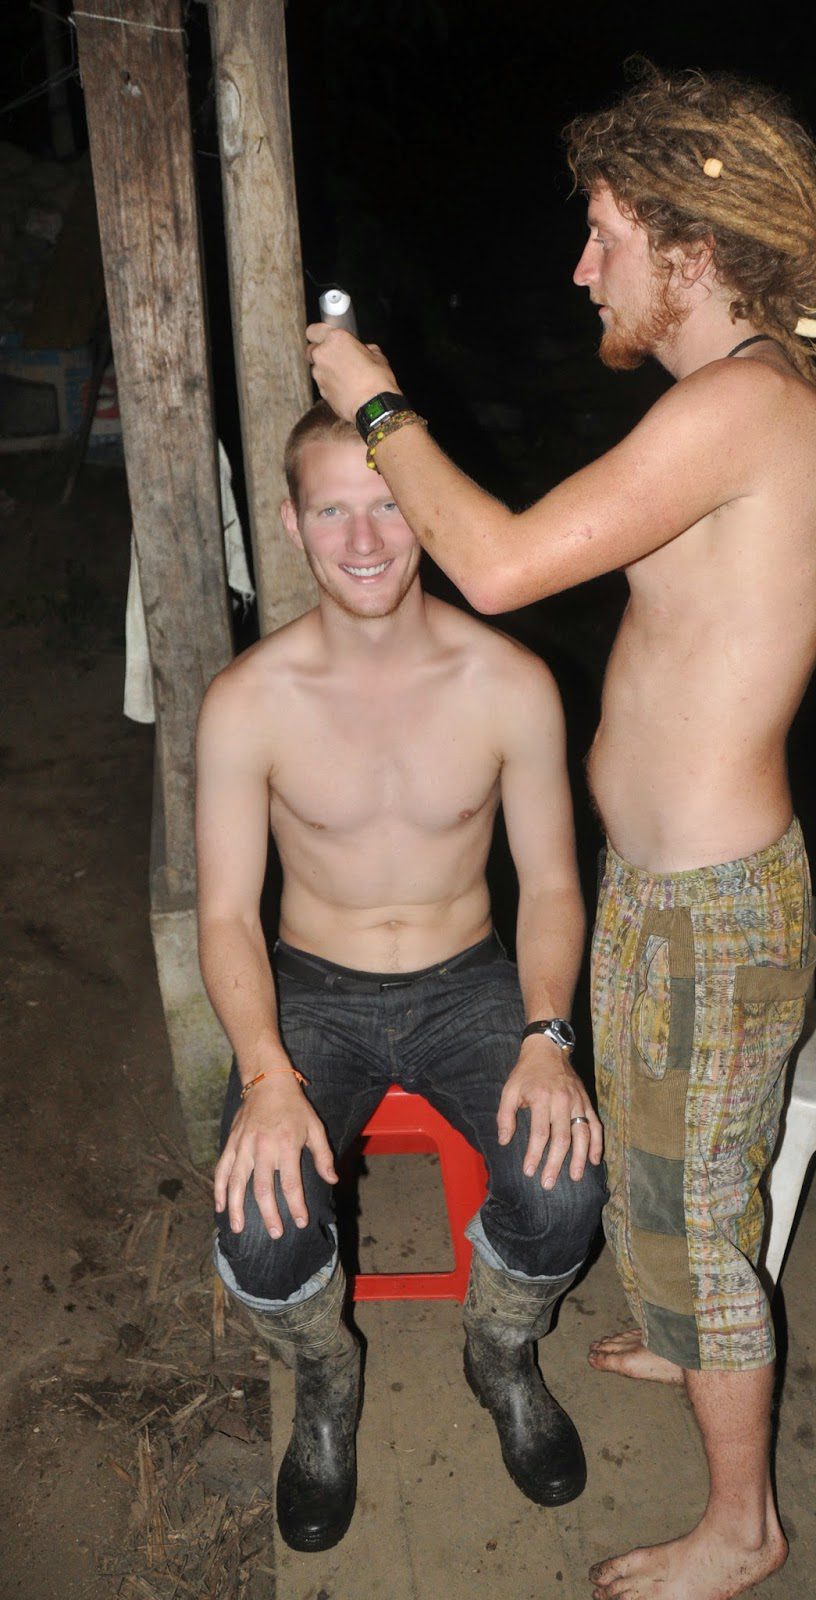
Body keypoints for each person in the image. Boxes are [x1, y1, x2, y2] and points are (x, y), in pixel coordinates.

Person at [305, 63, 816, 1600]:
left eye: (603, 234)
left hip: (709, 903)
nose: (580, 267)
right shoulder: (727, 402)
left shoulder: (742, 407)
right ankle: (682, 1330)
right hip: (662, 884)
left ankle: (740, 1525)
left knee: (696, 1214)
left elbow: (489, 565)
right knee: (665, 1163)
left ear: (687, 246)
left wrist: (368, 390)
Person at [197, 401, 606, 1554]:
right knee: (262, 1226)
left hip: (471, 979)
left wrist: (545, 1036)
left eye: (389, 504)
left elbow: (554, 886)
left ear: (427, 509)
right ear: (291, 523)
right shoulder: (250, 699)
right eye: (334, 507)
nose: (366, 537)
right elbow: (226, 912)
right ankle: (327, 1383)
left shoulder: (512, 681)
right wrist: (266, 1070)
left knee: (565, 1181)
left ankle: (501, 1352)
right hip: (309, 991)